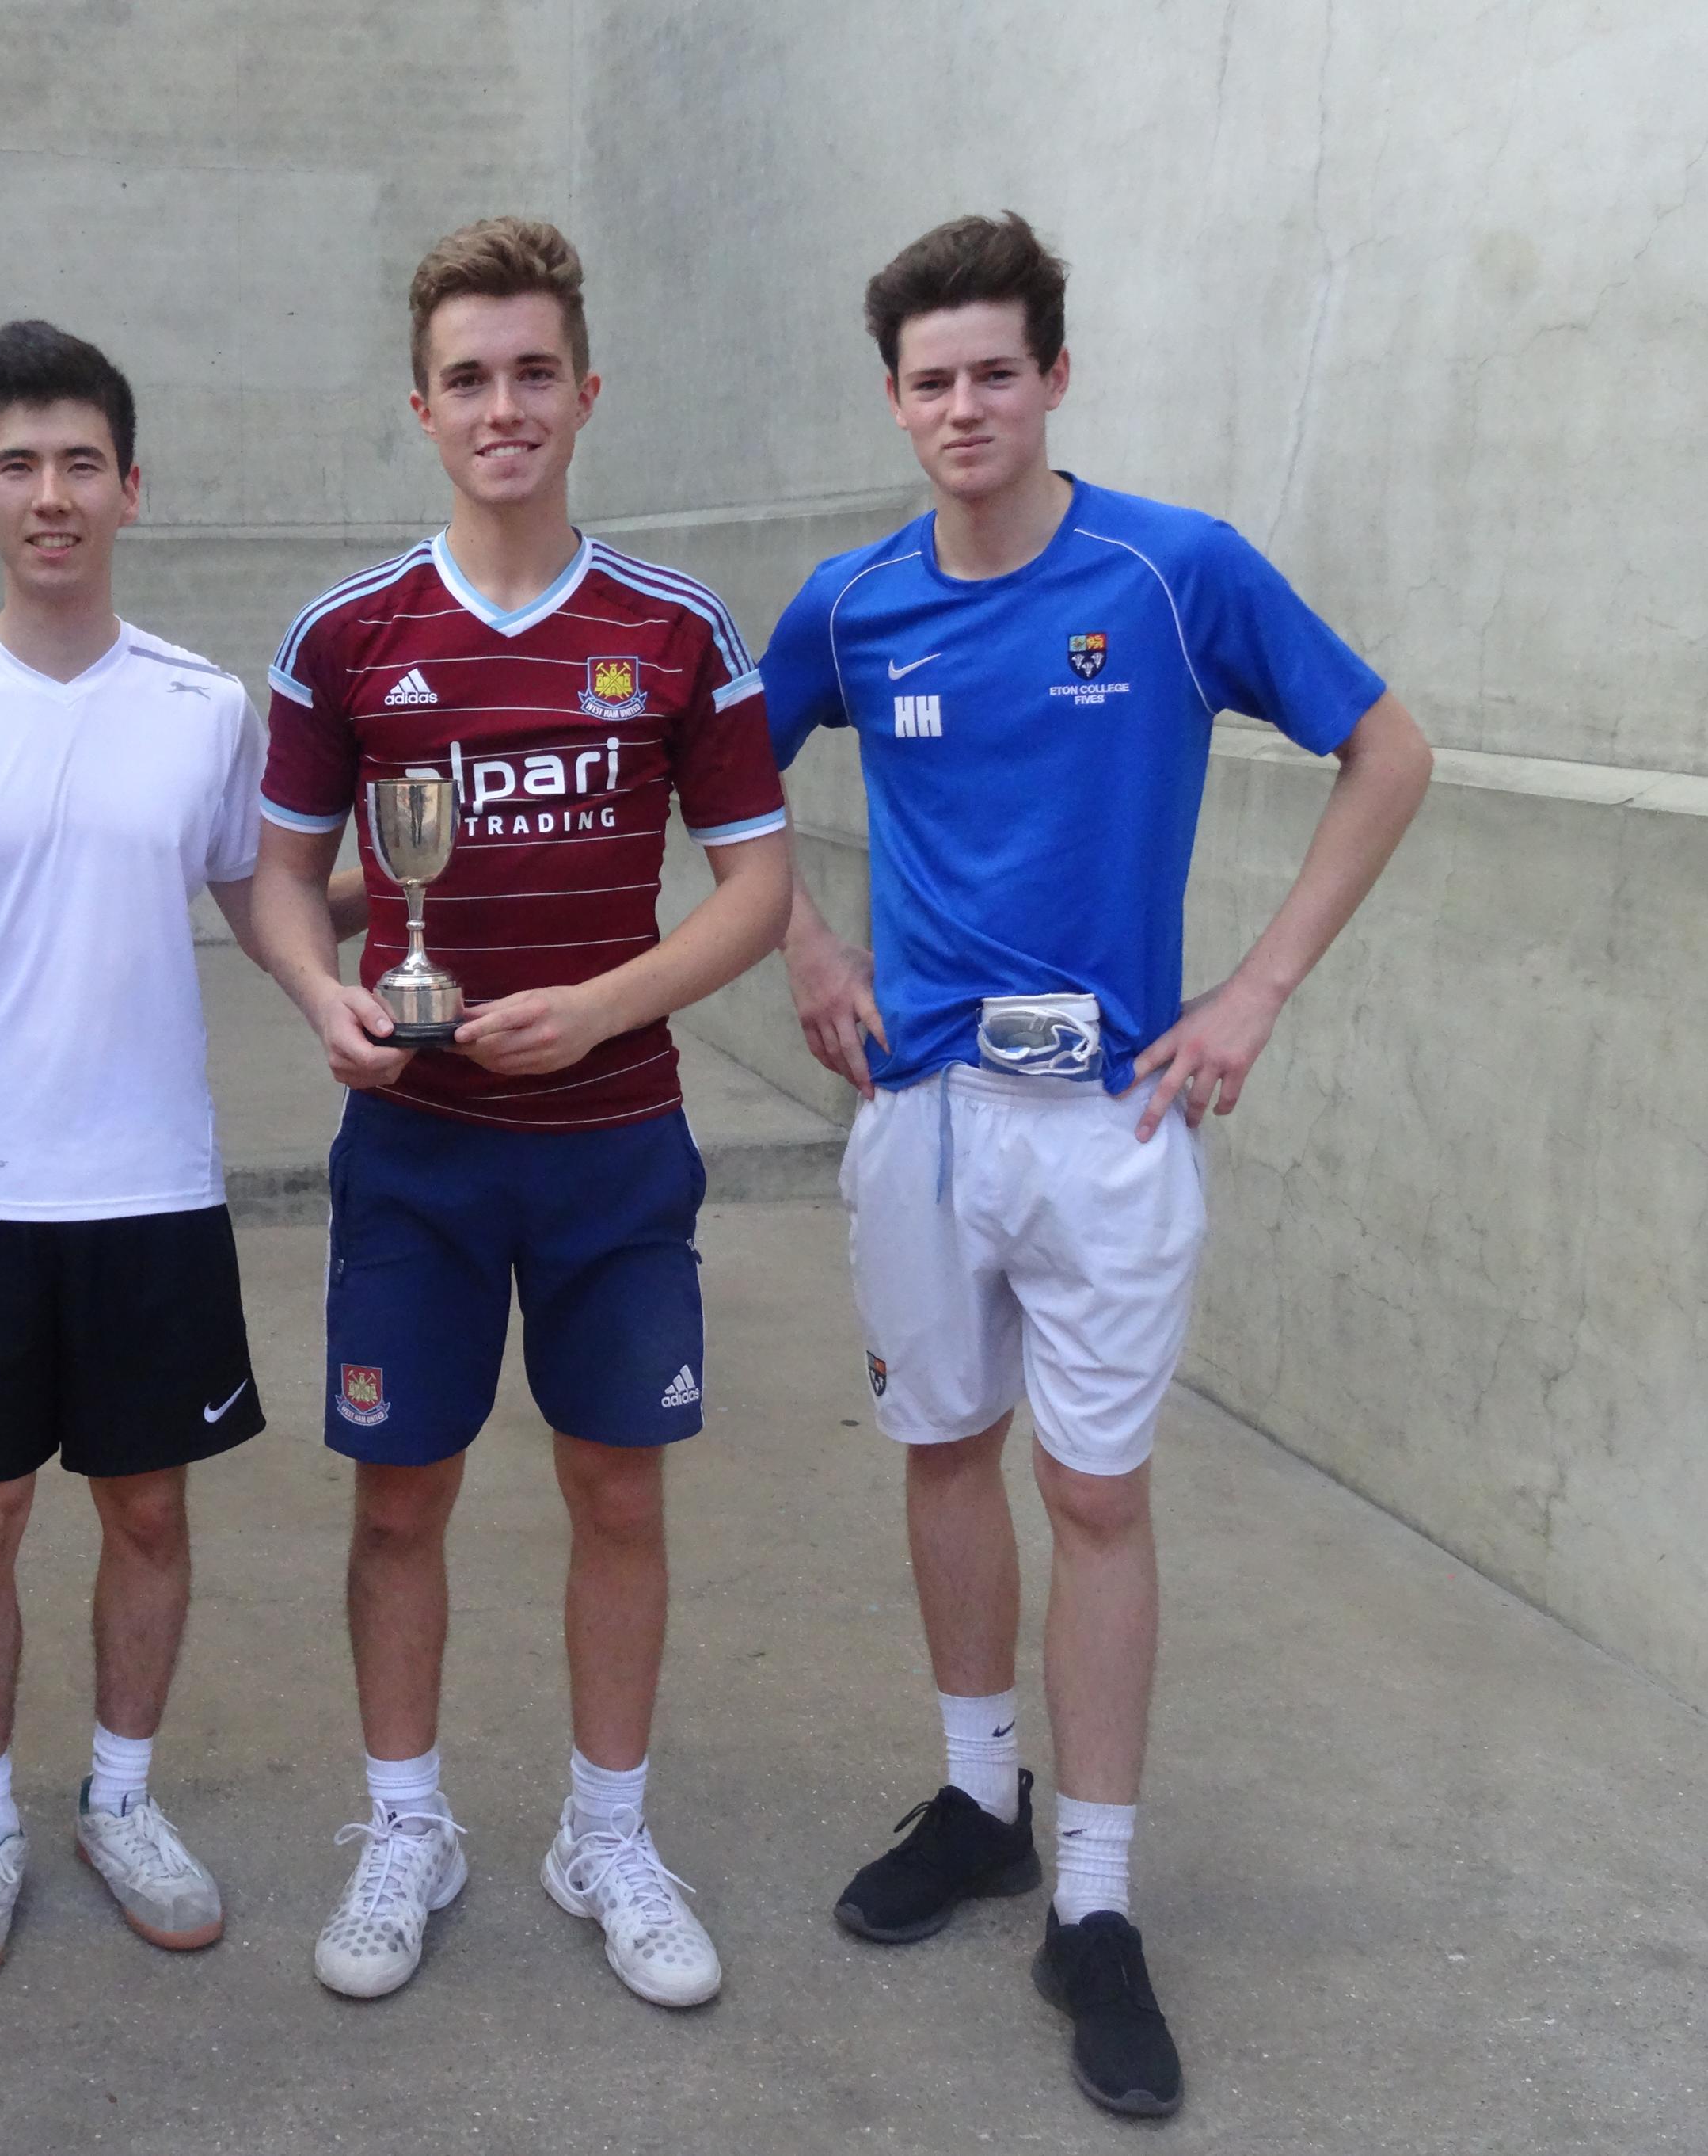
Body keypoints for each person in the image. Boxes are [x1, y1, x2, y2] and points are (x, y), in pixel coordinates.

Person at [759, 212, 1432, 2118]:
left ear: (1054, 375)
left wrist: (1256, 991)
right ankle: (983, 1801)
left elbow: (1389, 749)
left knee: (1099, 1493)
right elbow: (711, 769)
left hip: (1115, 1123)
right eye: (929, 378)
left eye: (995, 369)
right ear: (894, 400)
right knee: (947, 1450)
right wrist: (806, 945)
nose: (962, 405)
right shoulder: (852, 599)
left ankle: (1102, 1903)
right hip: (919, 1120)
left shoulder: (1169, 571)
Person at [248, 218, 793, 2009]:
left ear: (585, 391)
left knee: (613, 1486)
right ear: (422, 404)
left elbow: (757, 888)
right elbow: (274, 875)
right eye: (469, 378)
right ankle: (406, 1821)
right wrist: (330, 995)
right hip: (415, 1151)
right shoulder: (347, 634)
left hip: (615, 1143)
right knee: (399, 1498)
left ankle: (605, 1829)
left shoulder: (675, 629)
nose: (504, 406)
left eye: (534, 372)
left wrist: (607, 1005)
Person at [0, 321, 277, 1994]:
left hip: (155, 1192)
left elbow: (267, 899)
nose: (53, 493)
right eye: (19, 463)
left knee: (146, 1509)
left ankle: (123, 1800)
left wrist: (456, 884)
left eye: (82, 460)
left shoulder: (206, 707)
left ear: (132, 488)